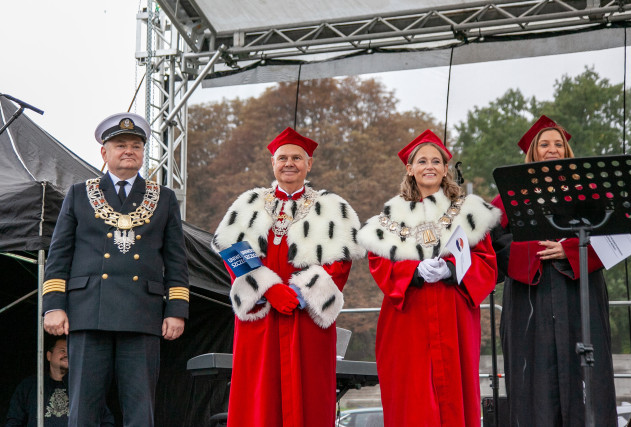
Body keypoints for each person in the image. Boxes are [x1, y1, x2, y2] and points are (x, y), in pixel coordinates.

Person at [41, 112, 190, 426]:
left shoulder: (163, 199)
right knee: (83, 408)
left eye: (136, 145)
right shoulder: (80, 194)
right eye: (120, 145)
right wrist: (53, 306)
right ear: (104, 153)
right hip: (88, 312)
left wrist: (176, 309)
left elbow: (177, 261)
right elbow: (59, 256)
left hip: (142, 315)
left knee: (140, 408)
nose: (129, 151)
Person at [212, 127, 365, 427]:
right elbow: (233, 252)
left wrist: (299, 292)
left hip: (307, 318)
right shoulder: (249, 205)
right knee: (258, 398)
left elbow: (340, 263)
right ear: (272, 163)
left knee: (309, 396)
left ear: (310, 164)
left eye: (297, 158)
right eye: (282, 158)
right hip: (261, 317)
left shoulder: (331, 208)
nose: (289, 163)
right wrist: (269, 289)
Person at [356, 129, 501, 427]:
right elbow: (379, 263)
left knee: (456, 395)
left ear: (446, 168)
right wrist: (413, 272)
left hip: (454, 314)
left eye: (437, 161)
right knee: (413, 398)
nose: (430, 166)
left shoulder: (467, 212)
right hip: (408, 319)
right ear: (410, 169)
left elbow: (487, 264)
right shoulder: (390, 218)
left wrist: (451, 270)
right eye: (422, 161)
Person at [491, 115, 617, 426]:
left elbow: (615, 233)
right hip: (529, 295)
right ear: (533, 151)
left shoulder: (588, 189)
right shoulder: (510, 195)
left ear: (567, 151)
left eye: (558, 144)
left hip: (580, 291)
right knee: (532, 371)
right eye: (545, 144)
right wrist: (534, 249)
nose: (552, 149)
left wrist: (571, 249)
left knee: (585, 368)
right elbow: (494, 242)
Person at [6, 336, 114, 426]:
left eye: (70, 351)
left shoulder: (84, 386)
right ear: (49, 355)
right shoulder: (30, 385)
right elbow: (14, 420)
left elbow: (106, 420)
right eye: (62, 350)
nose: (67, 355)